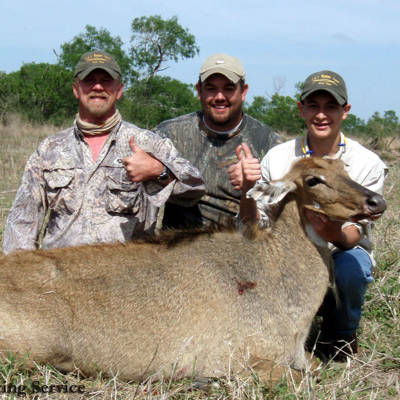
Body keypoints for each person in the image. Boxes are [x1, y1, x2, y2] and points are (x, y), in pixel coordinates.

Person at [236, 70, 388, 361]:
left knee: (350, 268)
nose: (321, 115)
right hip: (288, 252)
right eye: (313, 106)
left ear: (345, 111)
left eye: (331, 106)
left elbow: (357, 232)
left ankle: (340, 337)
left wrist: (333, 232)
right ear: (301, 109)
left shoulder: (367, 162)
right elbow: (254, 225)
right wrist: (246, 191)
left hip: (340, 248)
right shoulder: (279, 158)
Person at [2, 50, 205, 254]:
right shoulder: (49, 149)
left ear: (119, 90)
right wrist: (20, 270)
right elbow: (22, 222)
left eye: (106, 81)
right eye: (89, 80)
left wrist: (158, 171)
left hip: (127, 270)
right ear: (76, 89)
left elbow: (194, 189)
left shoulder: (148, 143)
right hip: (60, 271)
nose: (98, 87)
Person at [154, 53, 280, 228]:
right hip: (178, 240)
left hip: (240, 240)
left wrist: (250, 187)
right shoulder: (169, 134)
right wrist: (157, 171)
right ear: (199, 91)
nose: (220, 96)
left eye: (229, 88)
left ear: (243, 92)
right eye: (211, 88)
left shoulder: (268, 143)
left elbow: (272, 221)